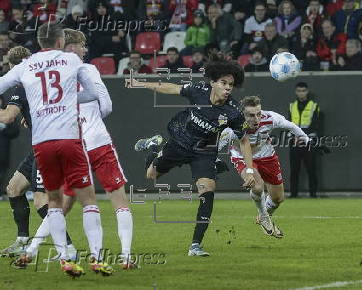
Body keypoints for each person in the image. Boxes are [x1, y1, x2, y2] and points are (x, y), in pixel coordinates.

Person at [0, 22, 110, 277]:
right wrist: (69, 98)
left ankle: (65, 258)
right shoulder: (71, 62)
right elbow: (93, 93)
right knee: (88, 200)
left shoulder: (27, 65)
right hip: (69, 139)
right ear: (61, 41)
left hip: (42, 143)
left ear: (39, 43)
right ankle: (96, 258)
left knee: (53, 202)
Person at [24, 28, 135, 270]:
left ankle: (31, 250)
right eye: (82, 45)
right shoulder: (86, 69)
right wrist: (91, 116)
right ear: (70, 46)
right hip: (97, 141)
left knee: (60, 203)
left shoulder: (43, 71)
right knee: (118, 198)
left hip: (69, 142)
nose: (85, 50)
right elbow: (106, 104)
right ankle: (125, 256)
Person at [126, 55, 255, 257]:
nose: (228, 87)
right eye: (223, 83)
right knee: (151, 175)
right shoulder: (199, 91)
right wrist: (142, 83)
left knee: (208, 189)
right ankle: (154, 145)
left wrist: (249, 170)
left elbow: (244, 140)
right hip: (179, 142)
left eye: (231, 84)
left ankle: (195, 245)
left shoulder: (234, 112)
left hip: (204, 152)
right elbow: (170, 88)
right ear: (213, 82)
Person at [0, 46, 77, 259]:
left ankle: (68, 248)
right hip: (44, 144)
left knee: (42, 199)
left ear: (11, 66)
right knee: (14, 188)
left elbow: (7, 117)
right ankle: (22, 241)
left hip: (47, 146)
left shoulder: (21, 83)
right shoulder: (40, 78)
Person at [219, 96, 308, 237]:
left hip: (267, 157)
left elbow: (291, 126)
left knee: (278, 198)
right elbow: (217, 146)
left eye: (258, 114)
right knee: (257, 186)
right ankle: (264, 216)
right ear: (242, 114)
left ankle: (263, 216)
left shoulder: (270, 118)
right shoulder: (231, 127)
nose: (256, 119)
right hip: (242, 157)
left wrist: (306, 140)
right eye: (251, 115)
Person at [288, 82, 319, 198]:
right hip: (294, 142)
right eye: (299, 91)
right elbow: (289, 125)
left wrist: (303, 138)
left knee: (311, 169)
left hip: (309, 142)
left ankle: (313, 194)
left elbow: (316, 125)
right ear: (296, 92)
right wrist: (295, 137)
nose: (301, 93)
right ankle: (293, 194)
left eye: (303, 91)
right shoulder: (291, 106)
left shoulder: (314, 106)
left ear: (307, 91)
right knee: (294, 170)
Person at [0, 95, 19, 198]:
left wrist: (4, 128)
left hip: (2, 151)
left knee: (2, 172)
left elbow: (15, 131)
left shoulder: (8, 114)